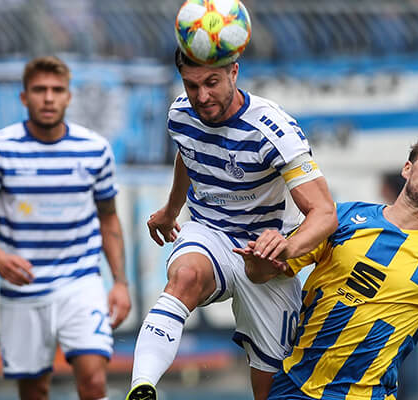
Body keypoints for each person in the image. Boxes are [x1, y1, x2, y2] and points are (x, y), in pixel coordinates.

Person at [237, 132, 418, 400]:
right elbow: (267, 273)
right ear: (407, 168)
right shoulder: (342, 216)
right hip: (295, 387)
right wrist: (257, 262)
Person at [126, 48, 338, 400]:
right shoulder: (180, 114)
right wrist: (171, 209)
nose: (202, 96)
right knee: (185, 277)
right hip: (210, 231)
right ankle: (142, 386)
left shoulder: (274, 130)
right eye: (192, 85)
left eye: (211, 83)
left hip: (267, 254)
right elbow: (189, 152)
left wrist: (287, 249)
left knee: (270, 391)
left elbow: (325, 213)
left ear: (234, 73)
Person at [0, 56, 131, 400]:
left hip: (81, 281)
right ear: (25, 98)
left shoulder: (95, 150)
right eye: (40, 90)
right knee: (35, 391)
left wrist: (121, 283)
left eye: (57, 90)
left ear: (69, 97)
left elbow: (109, 218)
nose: (49, 98)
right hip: (23, 287)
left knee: (94, 383)